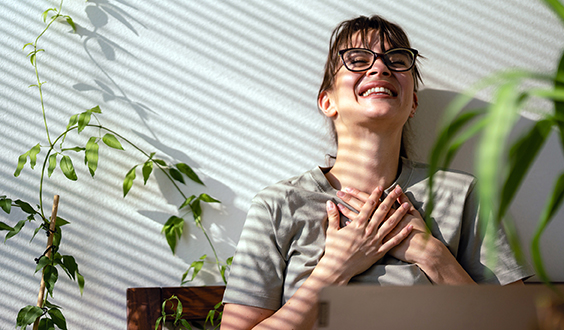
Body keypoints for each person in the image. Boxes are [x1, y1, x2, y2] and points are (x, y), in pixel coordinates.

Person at [220, 15, 533, 330]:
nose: (380, 68)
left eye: (397, 60)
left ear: (412, 102)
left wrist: (432, 256)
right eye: (357, 60)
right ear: (327, 101)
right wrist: (334, 269)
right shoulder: (278, 205)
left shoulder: (461, 195)